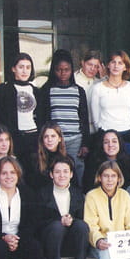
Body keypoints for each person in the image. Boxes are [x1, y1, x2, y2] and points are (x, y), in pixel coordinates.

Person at [37, 49, 90, 184]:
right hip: (55, 140)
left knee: (76, 167)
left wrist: (85, 143)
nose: (63, 73)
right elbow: (42, 117)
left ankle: (76, 193)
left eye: (66, 70)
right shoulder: (47, 90)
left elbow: (84, 118)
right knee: (56, 168)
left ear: (72, 70)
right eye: (59, 70)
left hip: (75, 139)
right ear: (53, 70)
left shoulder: (79, 91)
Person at [38, 156, 91, 259]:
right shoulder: (42, 193)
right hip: (50, 238)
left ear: (71, 174)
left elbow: (82, 217)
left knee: (82, 226)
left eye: (65, 171)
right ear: (51, 175)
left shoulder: (78, 194)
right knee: (57, 226)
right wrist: (59, 221)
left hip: (71, 239)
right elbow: (38, 222)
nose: (62, 175)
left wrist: (71, 220)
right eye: (57, 172)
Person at [0, 52, 40, 176]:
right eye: (21, 67)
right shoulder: (4, 89)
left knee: (32, 173)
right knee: (13, 171)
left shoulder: (36, 90)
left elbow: (41, 115)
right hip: (13, 138)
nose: (25, 71)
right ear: (13, 68)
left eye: (28, 67)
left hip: (33, 137)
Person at [89, 50, 130, 157]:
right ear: (108, 65)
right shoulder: (98, 88)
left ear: (125, 67)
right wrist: (103, 132)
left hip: (128, 133)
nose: (116, 66)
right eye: (113, 62)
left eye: (120, 63)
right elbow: (95, 118)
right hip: (106, 135)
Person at [27, 122, 73, 190]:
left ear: (59, 138)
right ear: (42, 140)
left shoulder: (68, 159)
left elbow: (74, 185)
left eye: (53, 136)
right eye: (46, 137)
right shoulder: (34, 159)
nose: (49, 140)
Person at [74, 50, 103, 135]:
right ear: (83, 63)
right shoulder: (73, 80)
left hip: (96, 130)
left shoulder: (100, 83)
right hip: (78, 130)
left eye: (96, 66)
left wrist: (103, 78)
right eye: (90, 64)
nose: (92, 69)